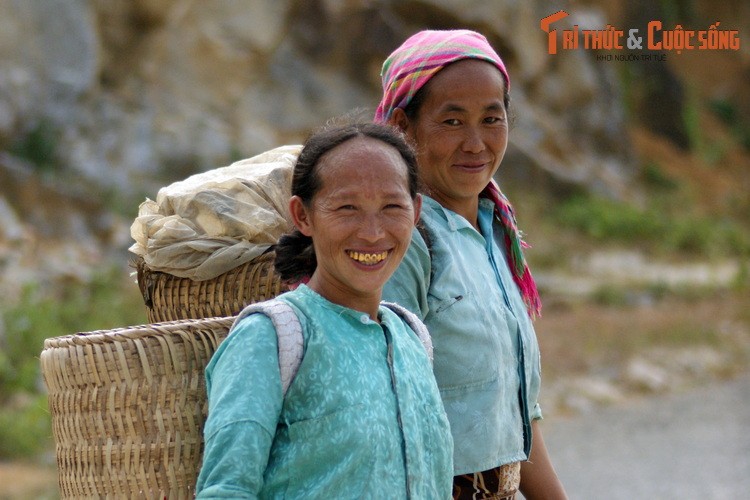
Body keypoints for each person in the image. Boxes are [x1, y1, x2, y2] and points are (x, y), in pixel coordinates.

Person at [195, 122, 454, 499]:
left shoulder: (412, 336)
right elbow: (227, 490)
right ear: (303, 216)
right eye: (347, 207)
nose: (372, 233)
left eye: (391, 207)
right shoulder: (270, 336)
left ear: (415, 213)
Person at [376, 30, 568, 499]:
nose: (476, 143)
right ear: (403, 126)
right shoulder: (404, 240)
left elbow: (516, 411)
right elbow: (382, 415)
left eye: (492, 119)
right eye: (452, 121)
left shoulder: (495, 231)